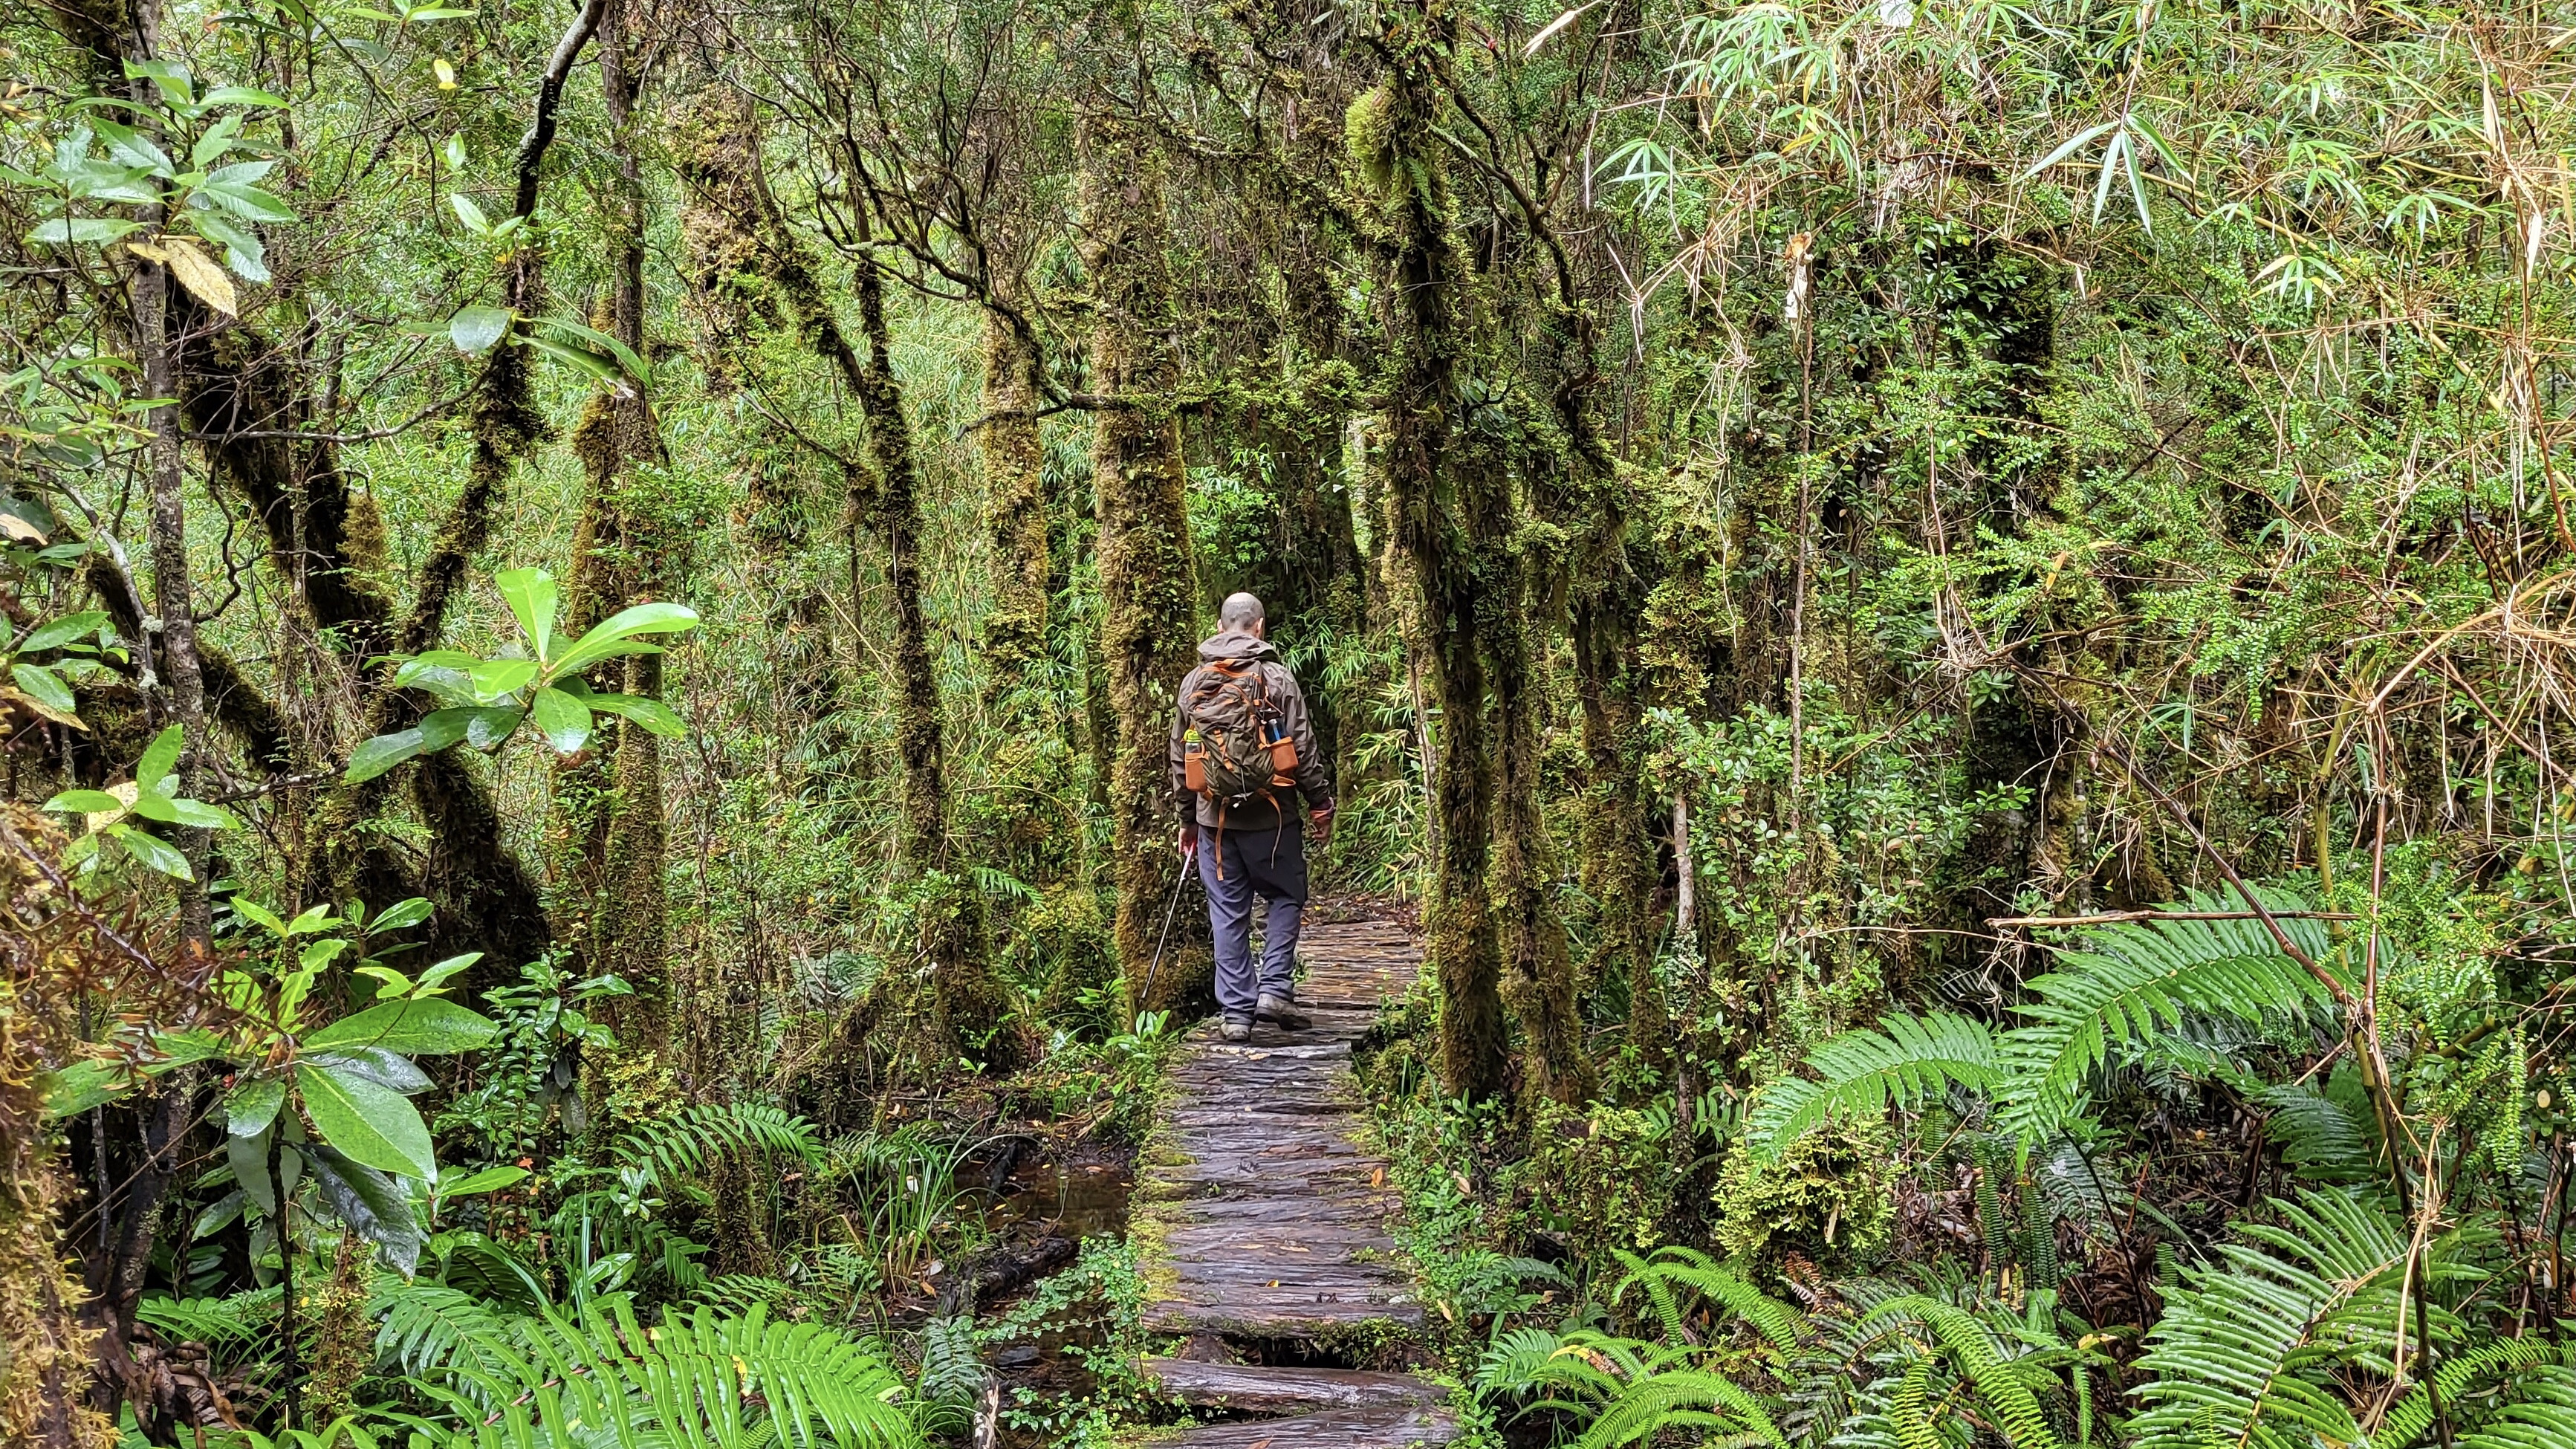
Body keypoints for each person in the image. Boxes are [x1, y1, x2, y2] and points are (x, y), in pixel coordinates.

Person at [1169, 591, 1334, 1041]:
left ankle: (1237, 1016)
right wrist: (1320, 804)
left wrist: (1187, 820)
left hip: (1214, 822)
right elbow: (1301, 747)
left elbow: (1180, 760)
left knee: (1227, 912)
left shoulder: (1193, 683)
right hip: (1274, 815)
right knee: (1285, 895)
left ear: (1221, 627)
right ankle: (1275, 988)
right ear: (1259, 627)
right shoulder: (1277, 677)